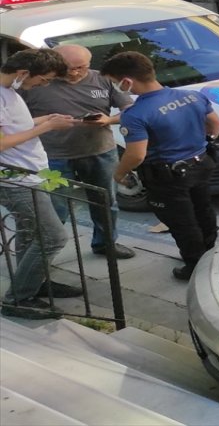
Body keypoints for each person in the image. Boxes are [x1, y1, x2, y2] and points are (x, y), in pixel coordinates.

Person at [103, 52, 219, 281]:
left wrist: (119, 173)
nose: (116, 87)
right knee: (203, 209)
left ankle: (196, 267)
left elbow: (136, 154)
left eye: (114, 82)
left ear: (127, 81)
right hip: (201, 163)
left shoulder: (136, 114)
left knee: (182, 222)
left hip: (168, 176)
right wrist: (198, 141)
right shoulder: (191, 96)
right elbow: (216, 123)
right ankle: (210, 253)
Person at [20, 45, 135, 259]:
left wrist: (109, 120)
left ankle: (106, 243)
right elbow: (17, 120)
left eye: (81, 67)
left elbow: (130, 111)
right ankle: (44, 253)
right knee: (56, 207)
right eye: (68, 68)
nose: (74, 73)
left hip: (99, 150)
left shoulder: (103, 79)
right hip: (53, 155)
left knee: (105, 202)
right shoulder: (38, 82)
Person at [1, 49, 78, 319]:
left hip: (29, 175)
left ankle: (32, 283)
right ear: (24, 73)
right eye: (43, 80)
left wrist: (42, 120)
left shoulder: (10, 90)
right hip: (15, 181)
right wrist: (45, 128)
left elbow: (11, 128)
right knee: (53, 237)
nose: (43, 85)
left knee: (30, 234)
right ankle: (18, 299)